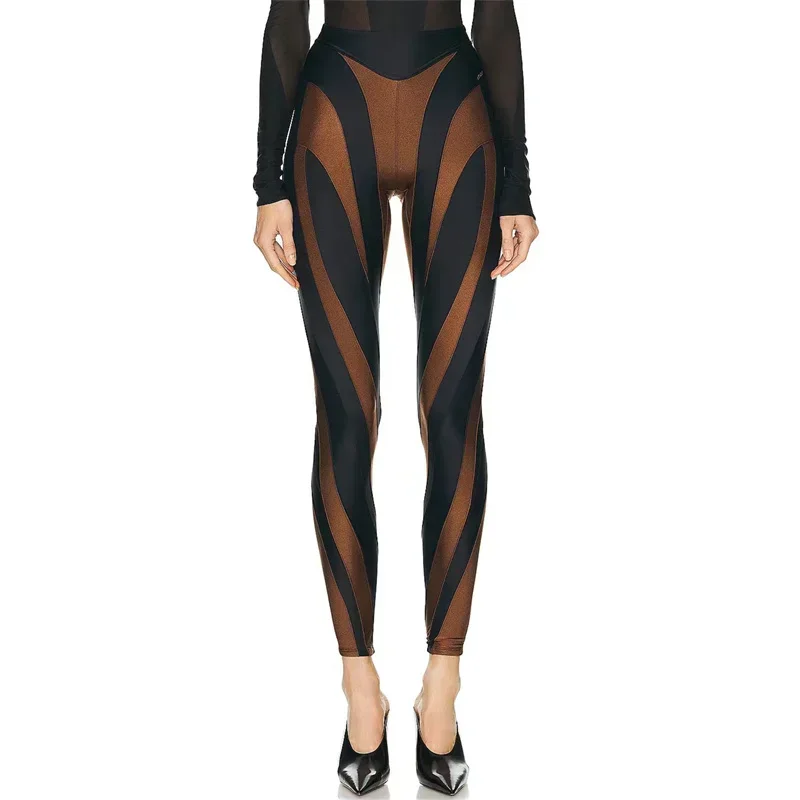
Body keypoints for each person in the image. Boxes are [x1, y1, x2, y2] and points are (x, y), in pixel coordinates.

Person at [252, 1, 538, 794]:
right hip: (333, 116)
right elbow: (285, 15)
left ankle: (442, 687)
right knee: (348, 412)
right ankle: (360, 687)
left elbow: (497, 16)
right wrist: (267, 182)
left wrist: (518, 185)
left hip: (456, 115)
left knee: (452, 412)